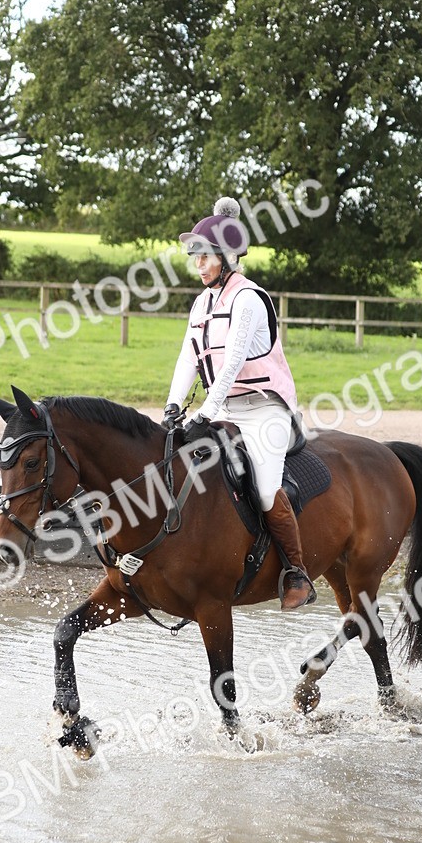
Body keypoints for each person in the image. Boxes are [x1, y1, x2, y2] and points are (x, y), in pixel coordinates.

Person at [163, 196, 316, 610]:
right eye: (195, 257)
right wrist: (173, 407)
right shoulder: (201, 304)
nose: (198, 265)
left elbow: (230, 362)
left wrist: (206, 411)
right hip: (226, 408)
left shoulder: (248, 299)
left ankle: (295, 572)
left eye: (205, 257)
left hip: (265, 409)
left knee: (266, 491)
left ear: (227, 258)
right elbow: (188, 359)